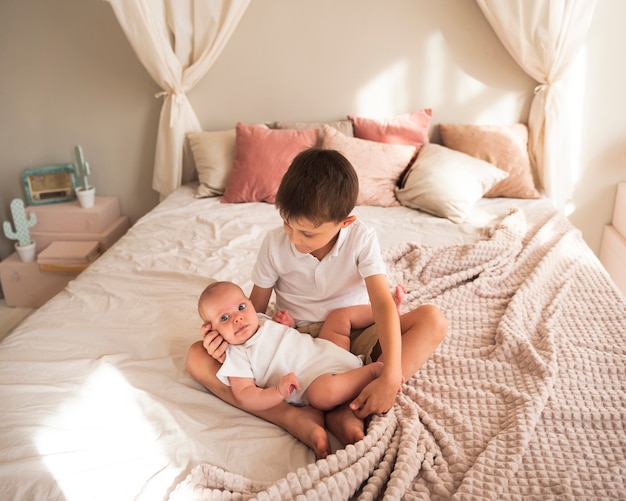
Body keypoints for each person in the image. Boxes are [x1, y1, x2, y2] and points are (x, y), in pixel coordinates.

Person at [187, 147, 447, 458]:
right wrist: (225, 345)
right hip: (294, 344)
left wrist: (391, 373)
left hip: (353, 333)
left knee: (433, 319)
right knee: (196, 357)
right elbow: (254, 311)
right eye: (287, 223)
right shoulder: (274, 244)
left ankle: (363, 396)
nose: (294, 239)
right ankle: (292, 416)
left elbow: (381, 303)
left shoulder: (361, 238)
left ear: (345, 222)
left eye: (307, 233)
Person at [198, 280, 387, 412]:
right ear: (212, 331)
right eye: (224, 318)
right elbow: (245, 395)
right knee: (322, 396)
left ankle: (385, 310)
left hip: (327, 349)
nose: (237, 318)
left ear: (249, 303)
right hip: (317, 380)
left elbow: (286, 339)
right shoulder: (236, 355)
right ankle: (372, 372)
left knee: (339, 317)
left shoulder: (261, 320)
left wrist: (289, 325)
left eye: (241, 307)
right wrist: (277, 392)